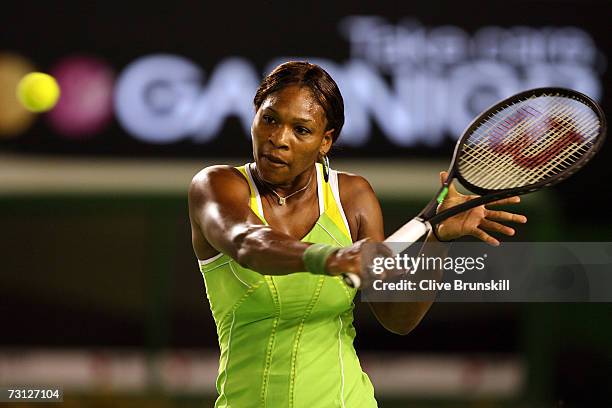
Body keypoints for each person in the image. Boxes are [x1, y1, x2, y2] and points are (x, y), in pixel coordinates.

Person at [188, 61, 527, 407]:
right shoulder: (216, 186)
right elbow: (247, 242)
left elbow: (397, 318)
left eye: (301, 130)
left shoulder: (353, 197)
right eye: (270, 119)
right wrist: (334, 257)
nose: (278, 139)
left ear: (325, 141)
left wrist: (438, 238)